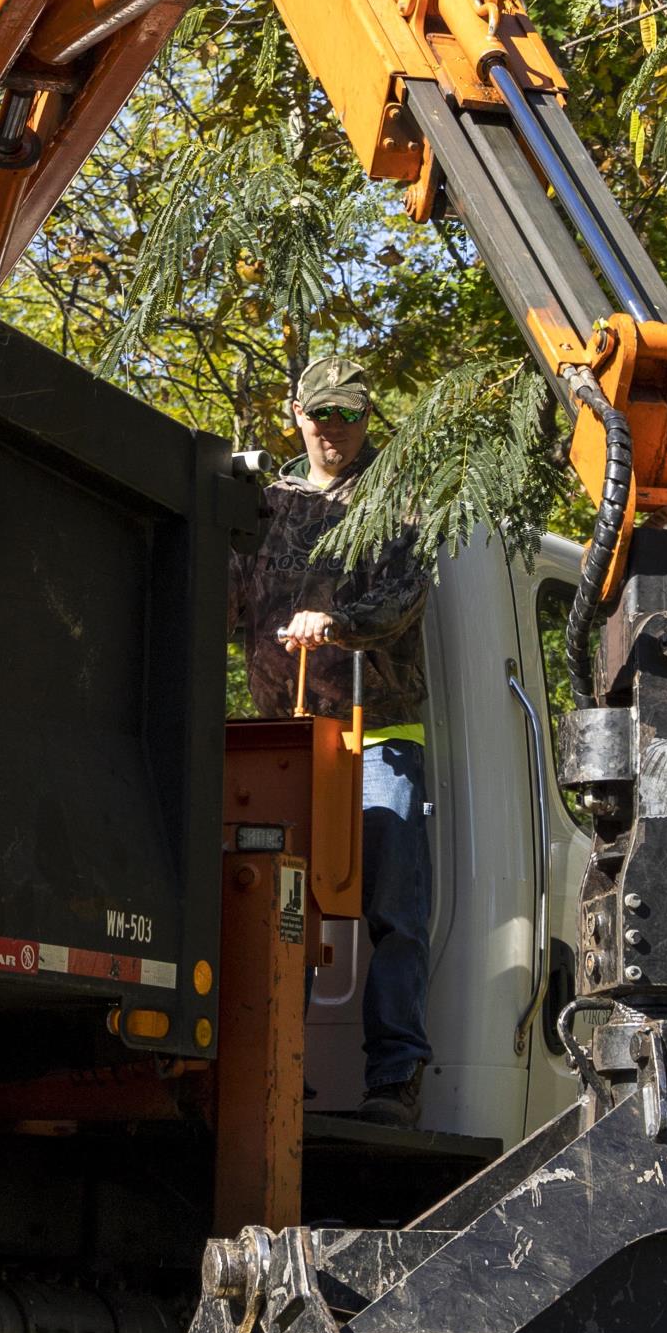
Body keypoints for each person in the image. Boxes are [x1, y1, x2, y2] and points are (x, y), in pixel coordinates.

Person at [228, 354, 433, 1128]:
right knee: (287, 910)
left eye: (346, 415)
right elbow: (225, 599)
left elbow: (403, 598)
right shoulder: (266, 503)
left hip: (376, 735)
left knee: (391, 910)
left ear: (366, 418)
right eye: (320, 415)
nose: (332, 430)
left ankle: (395, 1078)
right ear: (296, 414)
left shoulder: (399, 500)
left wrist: (339, 623)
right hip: (286, 739)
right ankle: (283, 1071)